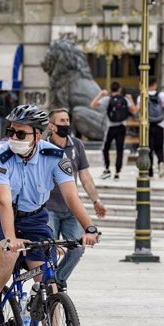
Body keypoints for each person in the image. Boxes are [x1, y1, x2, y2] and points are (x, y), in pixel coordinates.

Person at [0, 104, 99, 326]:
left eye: (20, 134)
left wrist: (88, 227)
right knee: (7, 254)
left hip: (34, 217)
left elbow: (70, 196)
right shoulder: (0, 154)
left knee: (50, 281)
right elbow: (5, 202)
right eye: (11, 131)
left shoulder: (55, 156)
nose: (13, 138)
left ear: (37, 135)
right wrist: (10, 238)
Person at [44, 108, 106, 288]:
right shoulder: (44, 147)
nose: (66, 124)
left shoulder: (77, 145)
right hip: (48, 208)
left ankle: (57, 280)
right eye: (62, 121)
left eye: (67, 120)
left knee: (77, 248)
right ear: (52, 126)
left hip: (71, 208)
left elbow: (85, 176)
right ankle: (49, 288)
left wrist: (96, 200)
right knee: (49, 250)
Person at [90, 81, 138, 180]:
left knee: (105, 148)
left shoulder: (107, 99)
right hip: (122, 127)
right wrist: (131, 99)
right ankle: (117, 172)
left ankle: (107, 169)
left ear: (111, 89)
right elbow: (134, 110)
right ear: (119, 89)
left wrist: (100, 94)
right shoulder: (125, 99)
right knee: (119, 149)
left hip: (111, 127)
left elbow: (93, 105)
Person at [135, 77, 164, 178]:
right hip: (159, 124)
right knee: (159, 148)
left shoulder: (142, 95)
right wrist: (163, 107)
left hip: (147, 125)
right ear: (155, 84)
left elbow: (137, 109)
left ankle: (150, 170)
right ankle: (161, 162)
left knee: (149, 149)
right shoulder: (162, 95)